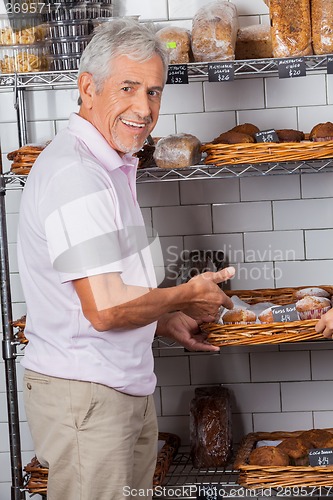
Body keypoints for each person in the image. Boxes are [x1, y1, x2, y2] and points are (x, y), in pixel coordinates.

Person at [17, 18, 235, 500]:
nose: (144, 108)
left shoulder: (109, 165)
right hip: (87, 396)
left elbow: (99, 294)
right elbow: (105, 308)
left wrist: (163, 317)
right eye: (129, 88)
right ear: (87, 88)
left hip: (112, 390)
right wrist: (187, 295)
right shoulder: (78, 176)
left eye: (154, 92)